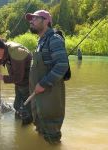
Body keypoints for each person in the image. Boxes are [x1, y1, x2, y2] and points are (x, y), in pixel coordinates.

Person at [25, 10, 69, 143]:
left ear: (46, 21)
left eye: (34, 18)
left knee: (51, 134)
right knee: (41, 129)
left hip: (50, 96)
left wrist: (43, 84)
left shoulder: (54, 39)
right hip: (39, 97)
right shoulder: (41, 41)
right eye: (30, 19)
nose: (31, 21)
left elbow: (62, 65)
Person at [0, 34, 33, 125]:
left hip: (29, 84)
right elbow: (3, 58)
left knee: (26, 111)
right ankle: (20, 129)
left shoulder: (16, 52)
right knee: (17, 106)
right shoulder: (5, 49)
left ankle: (25, 129)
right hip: (20, 84)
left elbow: (18, 77)